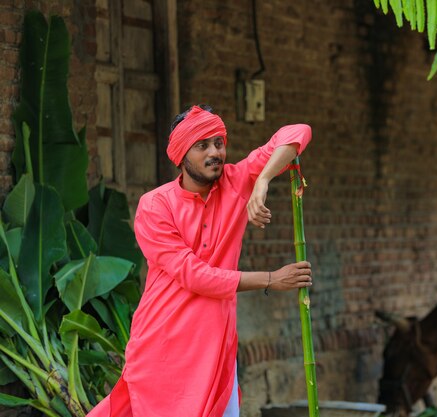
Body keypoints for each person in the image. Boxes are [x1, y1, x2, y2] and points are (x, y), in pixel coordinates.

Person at [87, 104, 313, 417]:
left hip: (216, 345)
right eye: (202, 145)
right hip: (163, 344)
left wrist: (262, 179)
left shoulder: (236, 182)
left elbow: (297, 132)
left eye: (219, 143)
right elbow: (194, 275)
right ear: (181, 155)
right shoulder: (154, 206)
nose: (215, 152)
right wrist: (271, 279)